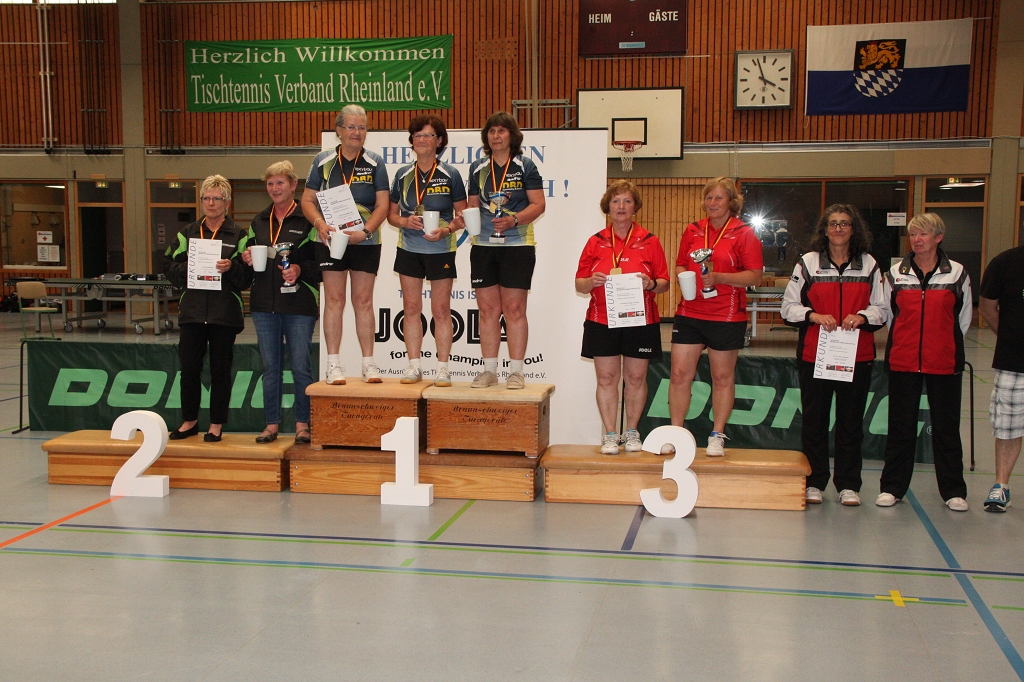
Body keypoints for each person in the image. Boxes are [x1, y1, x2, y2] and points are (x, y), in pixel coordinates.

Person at [782, 205, 887, 506]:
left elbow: (882, 309)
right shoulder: (807, 263)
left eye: (844, 224)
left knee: (850, 423)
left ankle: (848, 484)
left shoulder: (869, 265)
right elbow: (788, 308)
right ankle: (815, 482)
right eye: (833, 224)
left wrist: (863, 317)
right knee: (814, 422)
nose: (838, 229)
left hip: (857, 357)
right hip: (815, 355)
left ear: (854, 229)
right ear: (824, 230)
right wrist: (813, 315)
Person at [877, 213, 972, 511]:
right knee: (900, 428)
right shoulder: (895, 274)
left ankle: (953, 491)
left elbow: (963, 319)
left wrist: (941, 344)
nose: (917, 240)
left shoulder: (957, 273)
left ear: (938, 237)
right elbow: (890, 316)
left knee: (946, 428)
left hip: (944, 362)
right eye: (914, 234)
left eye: (924, 234)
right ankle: (892, 487)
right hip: (903, 361)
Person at [669, 177, 763, 456]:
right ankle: (676, 433)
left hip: (726, 315)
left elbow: (755, 276)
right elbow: (679, 264)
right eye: (709, 197)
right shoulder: (693, 229)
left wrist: (719, 277)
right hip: (690, 312)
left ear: (732, 202)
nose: (712, 203)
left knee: (721, 377)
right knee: (679, 374)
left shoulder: (744, 233)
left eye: (719, 198)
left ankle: (717, 435)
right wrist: (684, 277)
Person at [575, 181, 669, 454]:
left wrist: (651, 284)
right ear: (608, 207)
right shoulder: (595, 241)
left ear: (635, 207)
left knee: (636, 378)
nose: (621, 206)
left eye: (627, 201)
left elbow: (664, 282)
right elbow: (579, 284)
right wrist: (591, 281)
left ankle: (632, 432)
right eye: (616, 201)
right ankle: (610, 434)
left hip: (640, 320)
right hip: (601, 320)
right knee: (606, 378)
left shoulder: (650, 241)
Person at [301, 104, 390, 385]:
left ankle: (368, 364)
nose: (357, 132)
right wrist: (320, 224)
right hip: (330, 239)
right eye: (351, 127)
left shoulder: (375, 162)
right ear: (338, 130)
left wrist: (366, 231)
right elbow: (307, 200)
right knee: (334, 300)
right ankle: (333, 365)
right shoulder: (323, 160)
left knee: (363, 301)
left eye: (362, 127)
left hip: (365, 240)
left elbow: (383, 205)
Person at [163, 175, 252, 442]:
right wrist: (189, 265)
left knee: (220, 371)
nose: (211, 203)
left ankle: (216, 424)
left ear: (227, 202)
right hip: (191, 312)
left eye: (217, 198)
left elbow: (247, 278)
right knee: (189, 369)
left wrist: (231, 267)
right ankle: (189, 421)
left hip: (224, 314)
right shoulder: (187, 233)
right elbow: (168, 267)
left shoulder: (239, 235)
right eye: (206, 198)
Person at [467, 112, 546, 390]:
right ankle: (489, 371)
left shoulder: (525, 166)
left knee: (514, 309)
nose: (496, 136)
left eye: (501, 131)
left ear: (512, 135)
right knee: (488, 310)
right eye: (491, 131)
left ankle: (516, 372)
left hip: (517, 245)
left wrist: (514, 219)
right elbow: (472, 205)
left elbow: (538, 204)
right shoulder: (477, 167)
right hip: (483, 246)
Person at [243, 161, 319, 445]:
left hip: (299, 305)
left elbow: (321, 263)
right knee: (270, 368)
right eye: (270, 183)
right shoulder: (259, 221)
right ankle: (271, 425)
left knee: (301, 367)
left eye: (280, 183)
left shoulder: (308, 219)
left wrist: (299, 269)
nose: (275, 188)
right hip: (264, 304)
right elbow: (249, 253)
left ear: (293, 185)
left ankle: (302, 425)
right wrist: (246, 257)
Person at [388, 115, 467, 386]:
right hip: (409, 248)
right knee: (411, 307)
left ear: (439, 140)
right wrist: (404, 221)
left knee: (441, 309)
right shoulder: (402, 175)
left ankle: (443, 368)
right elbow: (390, 215)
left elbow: (462, 215)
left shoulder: (451, 174)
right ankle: (414, 366)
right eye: (417, 135)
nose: (421, 140)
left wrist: (447, 230)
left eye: (427, 135)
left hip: (441, 249)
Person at [978, 242, 1024, 512]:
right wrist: (1010, 338)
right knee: (1008, 426)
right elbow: (987, 307)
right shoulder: (1006, 262)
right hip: (1014, 362)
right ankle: (1001, 486)